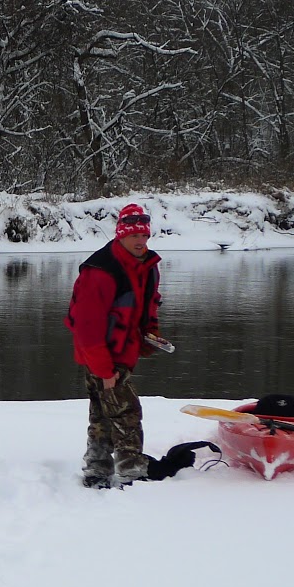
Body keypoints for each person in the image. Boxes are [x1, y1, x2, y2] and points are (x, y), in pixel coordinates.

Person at [65, 202, 165, 488]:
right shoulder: (100, 271)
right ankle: (131, 470)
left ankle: (97, 470)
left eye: (145, 236)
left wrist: (150, 335)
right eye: (135, 236)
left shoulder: (146, 266)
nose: (141, 242)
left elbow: (148, 306)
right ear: (121, 234)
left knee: (103, 413)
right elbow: (87, 328)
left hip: (123, 352)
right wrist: (105, 370)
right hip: (102, 356)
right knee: (126, 412)